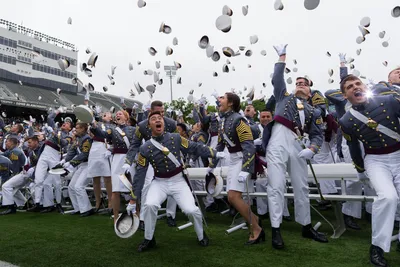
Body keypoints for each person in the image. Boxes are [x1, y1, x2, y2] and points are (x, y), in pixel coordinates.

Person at [263, 44, 327, 250]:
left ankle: (306, 226)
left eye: (304, 83)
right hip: (278, 139)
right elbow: (277, 79)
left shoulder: (315, 112)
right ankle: (276, 229)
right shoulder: (283, 97)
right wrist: (282, 58)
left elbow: (318, 135)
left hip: (299, 144)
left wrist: (313, 149)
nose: (300, 84)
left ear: (310, 90)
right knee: (276, 185)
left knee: (301, 187)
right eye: (297, 82)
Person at [132, 110, 220, 252]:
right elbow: (140, 174)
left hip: (178, 181)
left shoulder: (176, 138)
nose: (157, 120)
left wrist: (214, 153)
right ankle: (149, 239)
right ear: (149, 127)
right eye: (153, 119)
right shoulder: (145, 148)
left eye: (159, 118)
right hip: (159, 182)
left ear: (164, 123)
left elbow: (194, 147)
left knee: (191, 210)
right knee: (149, 205)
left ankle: (201, 234)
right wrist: (133, 199)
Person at [339, 74, 400, 266]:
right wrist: (360, 169)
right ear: (345, 95)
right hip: (375, 160)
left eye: (358, 83)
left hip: (399, 155)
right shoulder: (346, 120)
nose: (355, 87)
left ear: (365, 86)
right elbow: (354, 147)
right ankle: (377, 247)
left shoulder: (388, 101)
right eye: (350, 86)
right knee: (388, 197)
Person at [213, 92, 264, 244]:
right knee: (234, 197)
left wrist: (246, 168)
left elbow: (249, 146)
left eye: (222, 98)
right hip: (233, 160)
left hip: (242, 159)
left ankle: (256, 229)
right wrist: (211, 165)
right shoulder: (223, 120)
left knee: (233, 197)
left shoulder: (239, 120)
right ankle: (255, 220)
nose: (219, 100)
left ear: (230, 103)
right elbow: (220, 146)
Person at [125, 100, 178, 228]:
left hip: (167, 158)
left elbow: (177, 141)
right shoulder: (142, 126)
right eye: (158, 112)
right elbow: (135, 143)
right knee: (146, 186)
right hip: (150, 157)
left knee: (173, 185)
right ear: (150, 111)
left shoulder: (171, 123)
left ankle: (171, 215)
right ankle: (143, 218)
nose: (161, 116)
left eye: (163, 112)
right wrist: (128, 161)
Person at [91, 110, 135, 222]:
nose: (118, 115)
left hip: (130, 160)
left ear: (126, 117)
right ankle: (116, 217)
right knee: (115, 189)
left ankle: (137, 216)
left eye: (121, 113)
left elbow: (137, 144)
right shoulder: (112, 129)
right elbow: (102, 134)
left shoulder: (133, 129)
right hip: (117, 160)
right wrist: (93, 123)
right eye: (117, 114)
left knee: (134, 189)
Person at [29, 107, 72, 213]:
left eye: (68, 123)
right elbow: (50, 117)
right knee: (39, 179)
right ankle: (38, 203)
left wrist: (52, 133)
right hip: (44, 154)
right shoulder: (56, 129)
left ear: (70, 129)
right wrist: (58, 111)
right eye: (64, 122)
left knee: (57, 183)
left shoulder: (69, 136)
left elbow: (64, 143)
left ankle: (58, 203)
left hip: (54, 156)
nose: (65, 123)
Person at [0, 135, 42, 215]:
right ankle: (25, 203)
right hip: (25, 172)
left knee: (6, 186)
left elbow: (15, 167)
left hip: (24, 173)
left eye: (7, 142)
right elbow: (3, 155)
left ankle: (10, 207)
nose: (5, 143)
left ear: (12, 143)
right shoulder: (12, 150)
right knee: (13, 189)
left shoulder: (15, 152)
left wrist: (12, 176)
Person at [62, 122, 93, 217]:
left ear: (84, 129)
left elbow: (85, 154)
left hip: (88, 165)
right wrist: (64, 160)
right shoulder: (78, 139)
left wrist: (71, 163)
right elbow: (71, 152)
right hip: (81, 165)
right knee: (71, 187)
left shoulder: (87, 139)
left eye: (78, 128)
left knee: (79, 186)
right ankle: (78, 208)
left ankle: (86, 209)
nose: (76, 130)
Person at [88, 111, 113, 213]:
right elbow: (91, 131)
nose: (104, 115)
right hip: (95, 148)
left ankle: (111, 201)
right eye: (103, 113)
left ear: (111, 118)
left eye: (107, 114)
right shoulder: (96, 124)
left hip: (105, 148)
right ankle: (98, 200)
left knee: (107, 177)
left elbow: (107, 136)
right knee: (95, 176)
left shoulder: (112, 126)